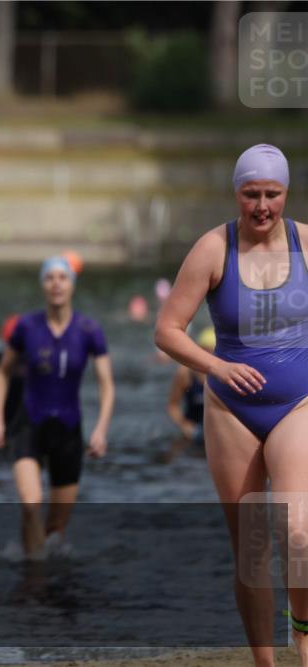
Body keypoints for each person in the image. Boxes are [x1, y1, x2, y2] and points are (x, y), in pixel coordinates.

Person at [155, 144, 308, 667]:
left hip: (297, 404)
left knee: (299, 531)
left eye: (272, 194)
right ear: (236, 193)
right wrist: (216, 367)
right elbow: (166, 331)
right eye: (251, 194)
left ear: (286, 193)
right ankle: (265, 662)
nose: (262, 205)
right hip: (230, 412)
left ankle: (303, 631)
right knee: (253, 552)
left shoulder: (306, 244)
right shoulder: (213, 249)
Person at [0, 256, 115, 558]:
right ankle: (35, 577)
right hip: (28, 425)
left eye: (63, 277)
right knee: (31, 505)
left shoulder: (89, 330)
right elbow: (3, 372)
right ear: (43, 285)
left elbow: (107, 385)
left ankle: (36, 561)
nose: (56, 284)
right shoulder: (26, 326)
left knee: (56, 526)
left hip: (69, 430)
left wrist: (101, 430)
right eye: (50, 278)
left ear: (72, 284)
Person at [165, 326, 215, 453]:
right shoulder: (185, 374)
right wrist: (184, 425)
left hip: (218, 430)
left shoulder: (225, 375)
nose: (210, 356)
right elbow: (172, 406)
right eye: (206, 350)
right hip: (194, 430)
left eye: (213, 351)